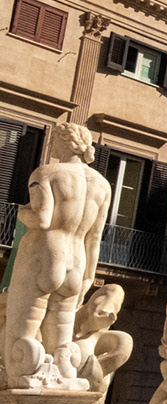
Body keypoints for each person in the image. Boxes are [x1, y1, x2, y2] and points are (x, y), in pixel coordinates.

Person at [3, 121, 111, 389]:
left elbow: (41, 219)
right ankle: (62, 380)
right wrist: (88, 277)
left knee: (20, 341)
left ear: (63, 143)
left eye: (53, 141)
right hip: (77, 261)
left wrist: (18, 210)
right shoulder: (102, 185)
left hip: (44, 253)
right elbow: (94, 238)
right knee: (62, 346)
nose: (50, 145)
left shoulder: (47, 173)